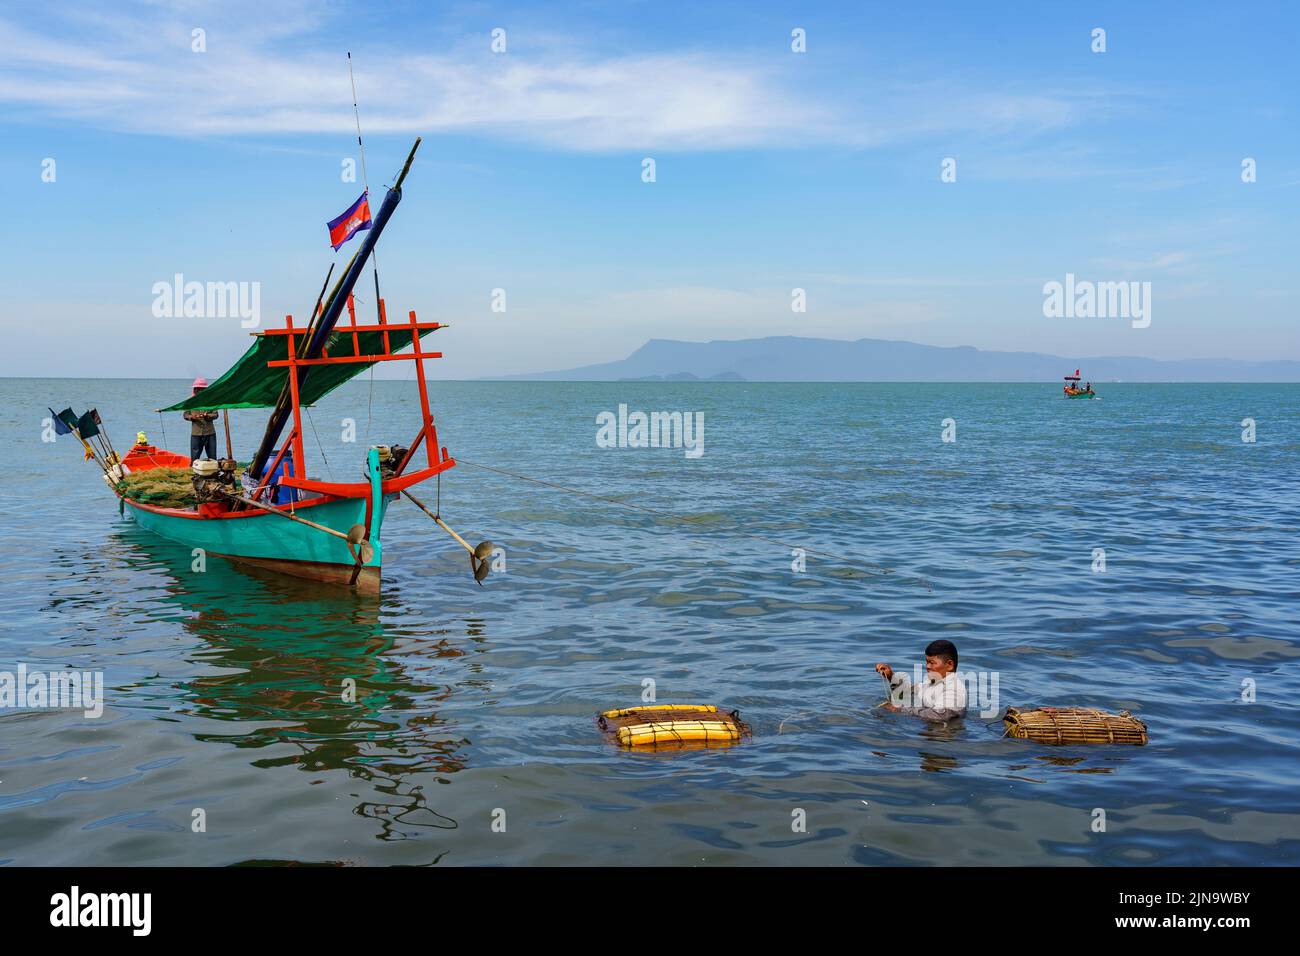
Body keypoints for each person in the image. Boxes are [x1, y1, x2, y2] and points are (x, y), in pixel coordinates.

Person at [875, 639, 967, 721]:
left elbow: (939, 715)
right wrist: (891, 676)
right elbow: (909, 692)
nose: (927, 667)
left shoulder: (954, 689)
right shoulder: (932, 682)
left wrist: (899, 710)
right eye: (927, 662)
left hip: (944, 736)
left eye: (932, 663)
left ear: (949, 665)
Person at [184, 377, 219, 462]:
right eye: (197, 389)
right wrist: (192, 417)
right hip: (196, 433)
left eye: (201, 389)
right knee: (195, 458)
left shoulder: (211, 401)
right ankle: (195, 472)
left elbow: (216, 414)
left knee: (212, 458)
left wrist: (207, 416)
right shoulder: (190, 401)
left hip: (210, 433)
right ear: (194, 389)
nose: (199, 391)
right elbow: (185, 415)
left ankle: (213, 473)